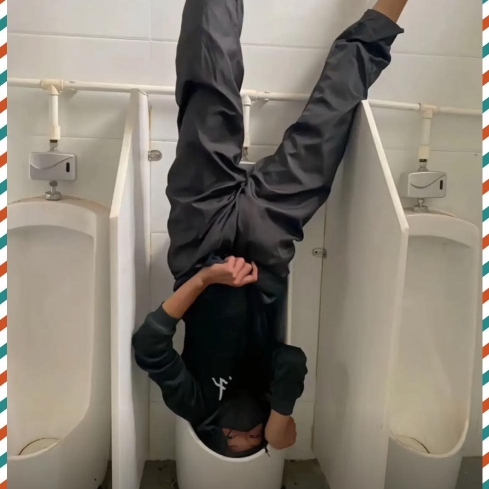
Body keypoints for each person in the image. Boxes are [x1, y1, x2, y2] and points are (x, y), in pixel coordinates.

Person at [133, 0, 409, 458]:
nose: (252, 435)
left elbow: (149, 346)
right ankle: (390, 10)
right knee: (329, 124)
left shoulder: (194, 405)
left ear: (216, 436)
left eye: (238, 441)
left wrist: (205, 279)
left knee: (208, 84)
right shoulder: (270, 401)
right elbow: (291, 361)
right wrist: (280, 420)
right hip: (268, 237)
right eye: (257, 441)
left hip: (199, 229)